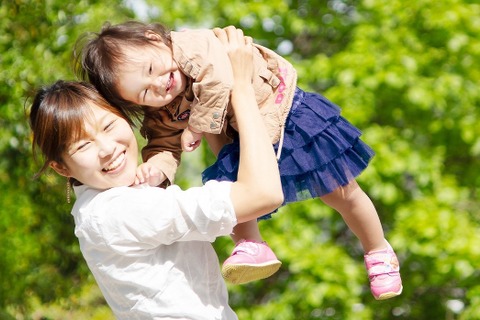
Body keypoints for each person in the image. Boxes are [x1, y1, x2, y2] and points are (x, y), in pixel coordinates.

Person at [75, 21, 402, 300]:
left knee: (341, 192)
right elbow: (162, 144)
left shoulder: (191, 46)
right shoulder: (163, 110)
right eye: (145, 93)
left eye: (151, 69)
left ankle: (378, 251)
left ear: (154, 39)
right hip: (246, 138)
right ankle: (251, 245)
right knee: (228, 185)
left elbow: (219, 78)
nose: (159, 84)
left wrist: (197, 125)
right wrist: (156, 171)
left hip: (286, 115)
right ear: (136, 104)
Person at [28, 27, 283, 319]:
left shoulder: (119, 199)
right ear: (60, 167)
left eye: (109, 127)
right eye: (84, 145)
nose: (107, 149)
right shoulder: (116, 211)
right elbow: (264, 193)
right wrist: (240, 85)